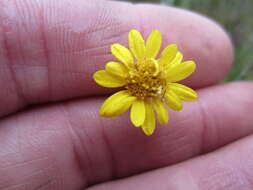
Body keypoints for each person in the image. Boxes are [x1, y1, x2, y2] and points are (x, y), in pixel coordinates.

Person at [0, 0, 252, 189]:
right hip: (126, 86)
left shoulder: (161, 92)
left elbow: (168, 100)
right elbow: (112, 71)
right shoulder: (129, 65)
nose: (152, 81)